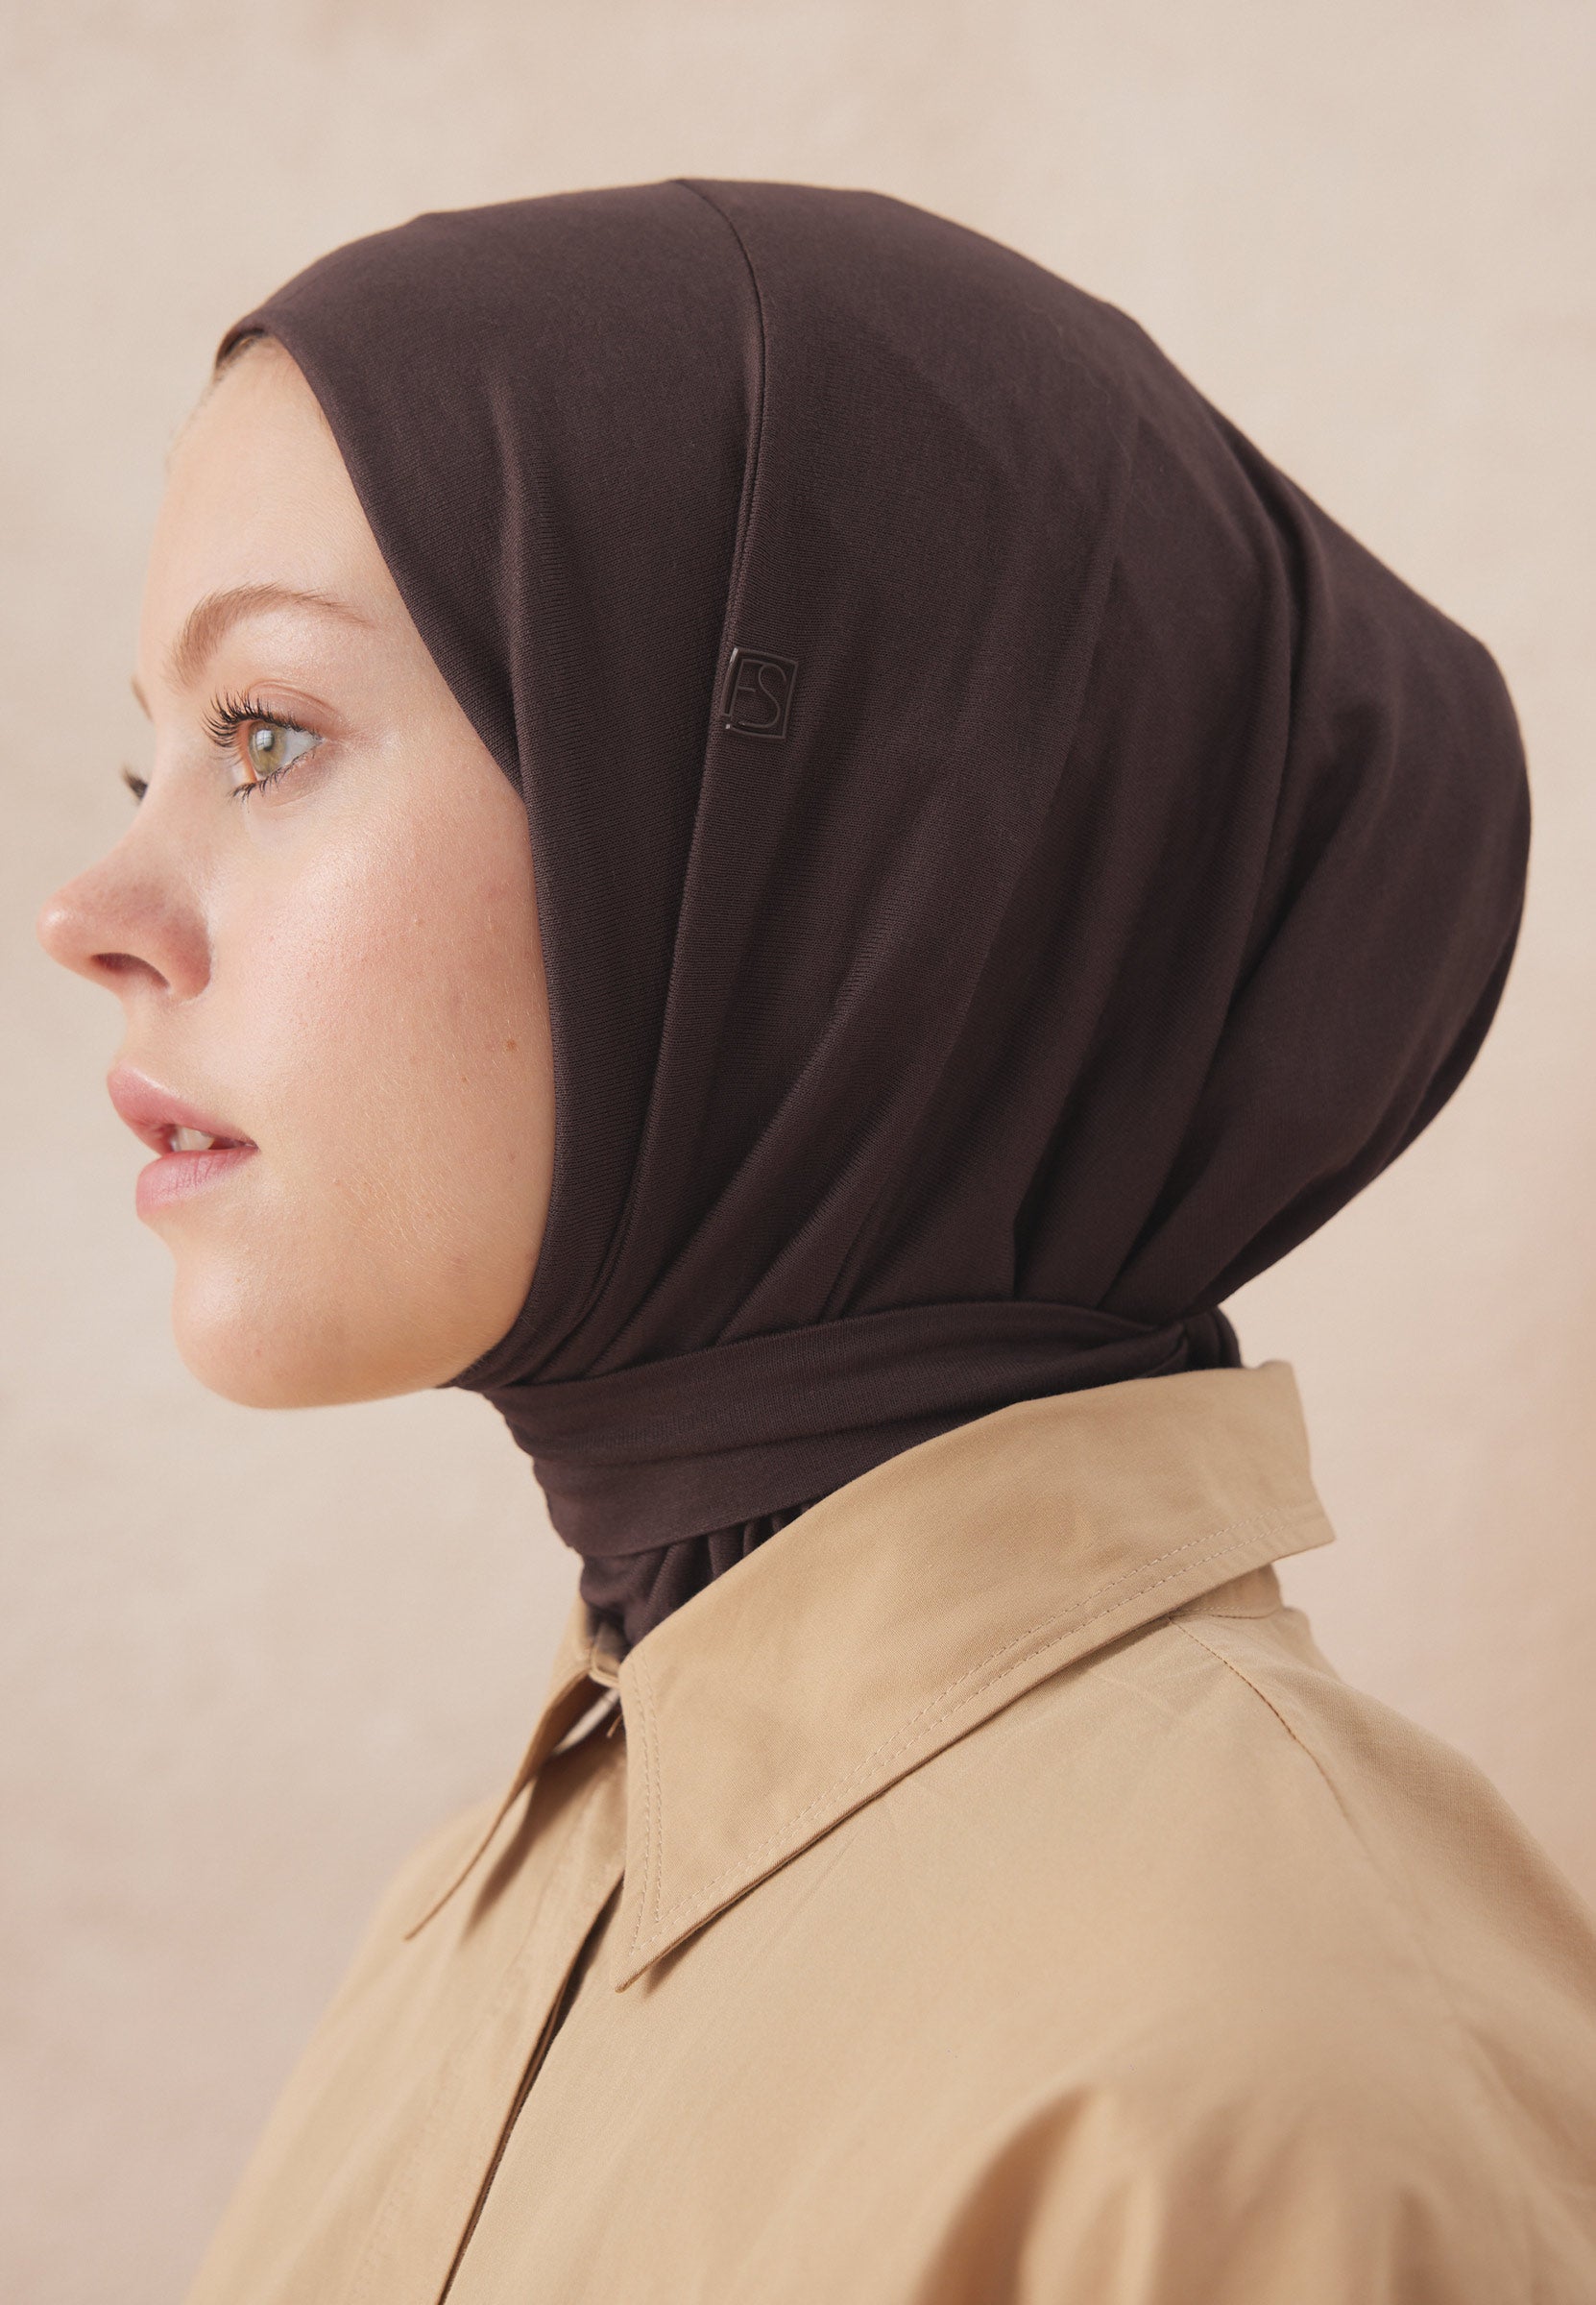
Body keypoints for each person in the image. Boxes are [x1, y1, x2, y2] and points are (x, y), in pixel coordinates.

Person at [36, 180, 1596, 2302]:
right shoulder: (492, 1915)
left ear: (829, 839)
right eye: (149, 755)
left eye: (268, 735)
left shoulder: (1253, 2086)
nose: (92, 915)